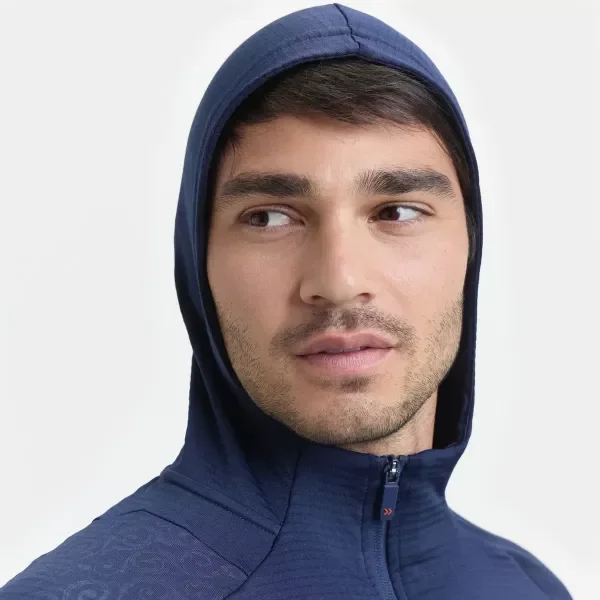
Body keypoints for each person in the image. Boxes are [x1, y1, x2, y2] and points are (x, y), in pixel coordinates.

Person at [0, 4, 572, 599]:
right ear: (197, 263)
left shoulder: (525, 587)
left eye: (397, 211)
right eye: (270, 218)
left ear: (471, 245)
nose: (339, 281)